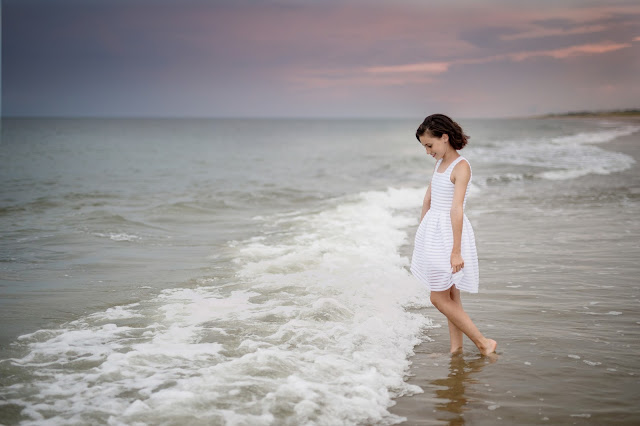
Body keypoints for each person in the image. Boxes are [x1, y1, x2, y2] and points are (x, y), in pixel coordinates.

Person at [410, 114, 497, 356]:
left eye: (430, 145)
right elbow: (428, 198)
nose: (428, 151)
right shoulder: (439, 164)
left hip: (450, 234)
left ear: (444, 137)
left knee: (437, 298)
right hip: (433, 232)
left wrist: (456, 251)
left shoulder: (462, 167)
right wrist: (423, 232)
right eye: (424, 147)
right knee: (450, 297)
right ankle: (456, 349)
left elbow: (456, 208)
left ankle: (483, 342)